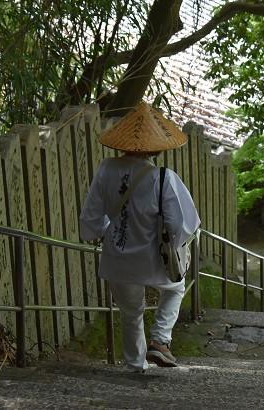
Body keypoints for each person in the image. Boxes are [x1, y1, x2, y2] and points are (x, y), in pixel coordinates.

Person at [79, 102, 200, 372]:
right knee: (176, 288)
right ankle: (159, 340)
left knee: (131, 313)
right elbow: (183, 224)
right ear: (156, 146)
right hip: (152, 257)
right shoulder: (163, 178)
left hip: (117, 257)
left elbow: (91, 217)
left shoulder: (106, 169)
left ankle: (135, 366)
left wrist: (101, 233)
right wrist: (172, 244)